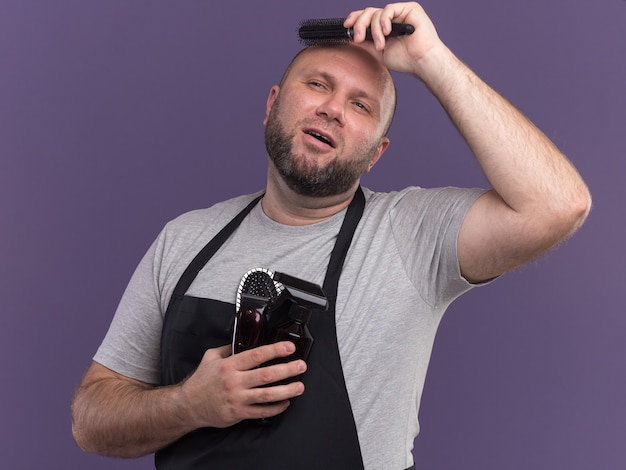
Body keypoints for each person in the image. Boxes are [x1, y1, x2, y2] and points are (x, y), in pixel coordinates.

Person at [71, 3, 591, 469]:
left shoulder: (410, 234)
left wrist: (431, 58)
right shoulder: (183, 240)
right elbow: (91, 421)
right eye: (318, 84)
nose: (334, 109)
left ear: (378, 152)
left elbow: (558, 205)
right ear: (274, 102)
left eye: (361, 105)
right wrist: (191, 404)